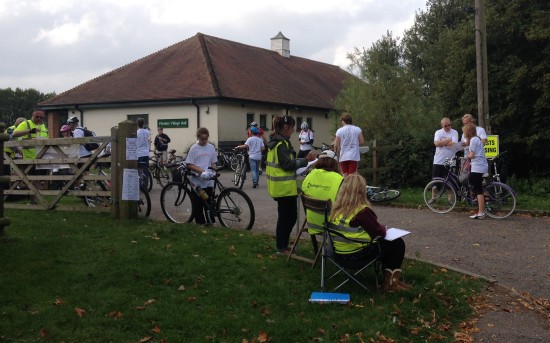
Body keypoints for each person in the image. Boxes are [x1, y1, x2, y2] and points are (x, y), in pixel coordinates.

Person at [329, 174, 411, 292]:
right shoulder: (362, 211)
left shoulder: (336, 209)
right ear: (361, 191)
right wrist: (383, 228)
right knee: (397, 244)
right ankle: (391, 283)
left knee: (388, 245)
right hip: (356, 254)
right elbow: (379, 232)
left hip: (339, 253)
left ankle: (392, 281)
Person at [266, 115, 315, 254]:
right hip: (284, 188)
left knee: (288, 217)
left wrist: (303, 161)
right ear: (286, 127)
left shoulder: (278, 142)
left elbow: (287, 162)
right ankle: (281, 247)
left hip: (282, 187)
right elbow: (287, 164)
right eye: (293, 127)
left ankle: (283, 246)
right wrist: (305, 160)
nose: (294, 130)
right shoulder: (281, 144)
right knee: (287, 218)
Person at [301, 150, 343, 238]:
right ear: (334, 163)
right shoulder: (338, 179)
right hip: (332, 225)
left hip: (312, 223)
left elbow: (303, 190)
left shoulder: (310, 175)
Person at [185, 127, 218, 224]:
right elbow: (189, 164)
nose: (204, 141)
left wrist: (213, 172)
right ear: (198, 137)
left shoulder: (211, 147)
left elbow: (213, 162)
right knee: (198, 203)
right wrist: (202, 171)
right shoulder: (194, 149)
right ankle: (200, 223)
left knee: (208, 201)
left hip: (208, 179)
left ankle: (210, 221)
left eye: (206, 139)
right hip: (197, 180)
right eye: (202, 139)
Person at [463, 123, 488, 219]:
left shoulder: (473, 140)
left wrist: (466, 157)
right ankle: (479, 208)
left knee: (478, 190)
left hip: (477, 167)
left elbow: (472, 155)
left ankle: (481, 212)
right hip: (481, 166)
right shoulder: (477, 139)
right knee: (473, 182)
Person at [136, 118, 151, 189]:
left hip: (139, 153)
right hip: (146, 153)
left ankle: (139, 185)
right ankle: (145, 185)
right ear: (143, 123)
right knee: (145, 170)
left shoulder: (137, 132)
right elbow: (149, 140)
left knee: (138, 169)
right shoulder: (147, 131)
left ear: (137, 124)